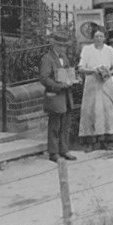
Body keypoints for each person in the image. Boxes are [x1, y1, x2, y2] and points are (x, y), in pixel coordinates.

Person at [77, 24, 113, 151]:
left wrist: (109, 72)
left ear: (105, 37)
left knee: (107, 111)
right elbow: (80, 67)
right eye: (96, 36)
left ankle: (107, 140)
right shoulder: (87, 50)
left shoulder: (109, 50)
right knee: (92, 110)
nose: (99, 38)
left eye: (101, 36)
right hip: (92, 82)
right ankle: (91, 142)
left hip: (106, 83)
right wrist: (93, 70)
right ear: (93, 37)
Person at [39, 28, 79, 162]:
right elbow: (44, 78)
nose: (63, 48)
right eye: (60, 45)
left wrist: (73, 79)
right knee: (55, 124)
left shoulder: (64, 58)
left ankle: (64, 150)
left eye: (64, 46)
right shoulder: (47, 58)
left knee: (65, 124)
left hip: (66, 96)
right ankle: (54, 152)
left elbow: (67, 72)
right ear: (54, 44)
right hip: (55, 96)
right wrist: (58, 85)